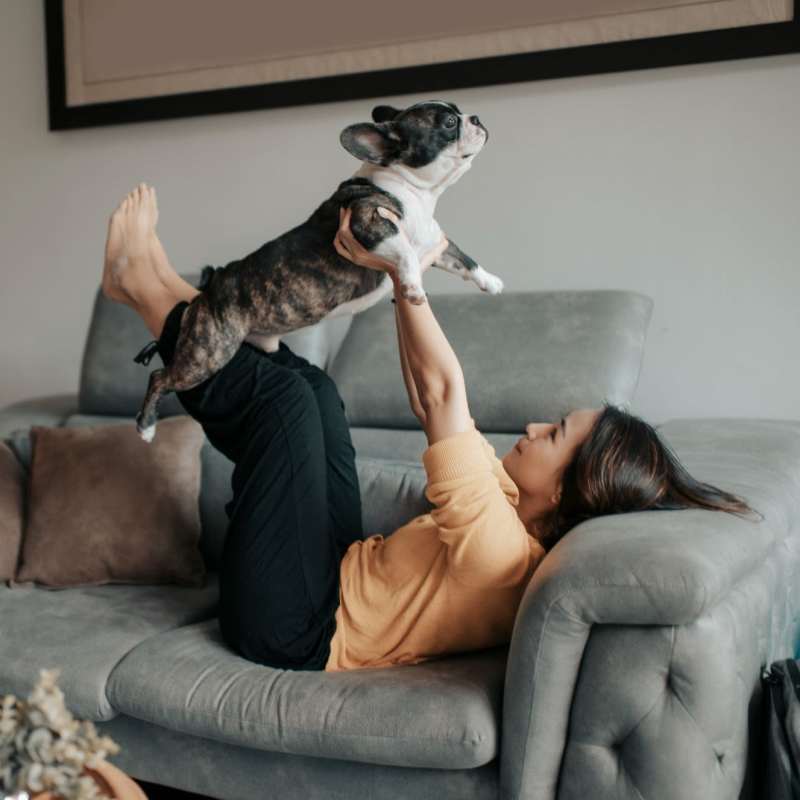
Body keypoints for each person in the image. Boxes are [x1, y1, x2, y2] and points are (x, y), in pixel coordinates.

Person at [102, 182, 752, 673]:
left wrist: (404, 275)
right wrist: (398, 276)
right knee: (315, 391)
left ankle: (143, 290)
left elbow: (439, 395)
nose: (530, 426)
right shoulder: (503, 510)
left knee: (284, 408)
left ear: (563, 493)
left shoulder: (500, 552)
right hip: (328, 572)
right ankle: (159, 286)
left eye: (554, 434)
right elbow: (430, 391)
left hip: (293, 629)